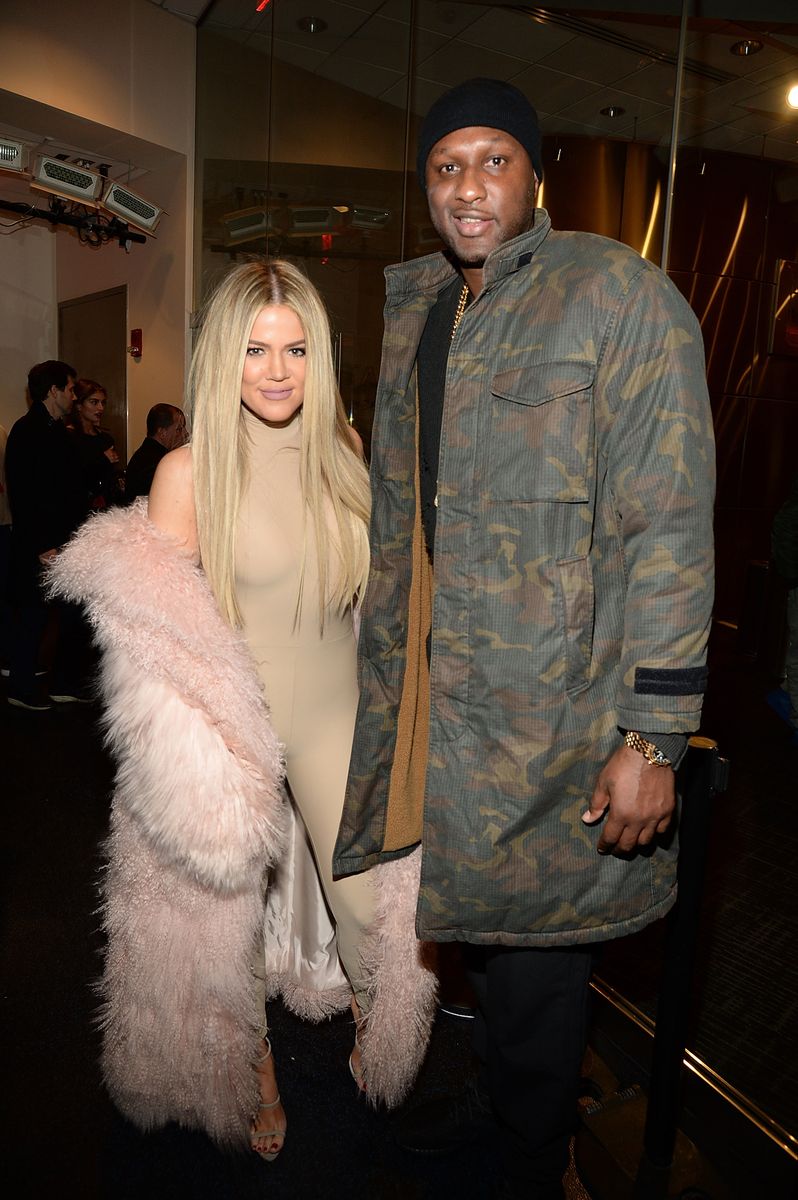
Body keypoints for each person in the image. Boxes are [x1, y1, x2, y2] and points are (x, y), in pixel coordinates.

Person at [333, 78, 716, 1200]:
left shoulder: (618, 295)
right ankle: (504, 1114)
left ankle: (531, 1157)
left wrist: (655, 737)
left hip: (563, 714)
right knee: (491, 955)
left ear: (535, 174)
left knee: (546, 964)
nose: (467, 186)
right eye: (446, 165)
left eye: (493, 159)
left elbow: (669, 523)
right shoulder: (427, 311)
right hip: (456, 703)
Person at [49, 260, 410, 1156]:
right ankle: (253, 1070)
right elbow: (164, 646)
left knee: (375, 905)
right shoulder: (187, 471)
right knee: (223, 921)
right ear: (224, 357)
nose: (277, 370)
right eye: (254, 349)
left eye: (294, 348)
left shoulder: (348, 451)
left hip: (336, 718)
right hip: (232, 731)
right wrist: (190, 764)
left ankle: (382, 1023)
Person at [5, 360, 90, 709]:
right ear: (53, 391)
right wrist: (42, 544)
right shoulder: (27, 430)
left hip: (63, 539)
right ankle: (20, 688)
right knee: (34, 617)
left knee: (67, 614)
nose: (74, 396)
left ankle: (63, 682)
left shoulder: (57, 429)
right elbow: (24, 493)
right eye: (71, 388)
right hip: (43, 544)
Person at [67, 378, 122, 510]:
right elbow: (71, 477)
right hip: (78, 508)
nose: (101, 408)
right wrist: (102, 459)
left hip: (105, 508)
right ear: (79, 405)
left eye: (103, 403)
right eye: (94, 402)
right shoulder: (68, 436)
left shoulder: (105, 438)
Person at [124, 403, 187, 503]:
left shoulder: (147, 455)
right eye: (179, 429)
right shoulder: (156, 462)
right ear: (162, 432)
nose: (185, 434)